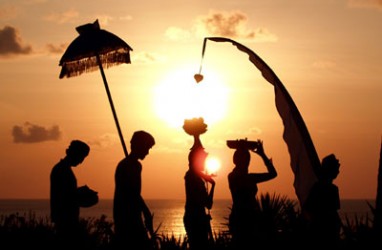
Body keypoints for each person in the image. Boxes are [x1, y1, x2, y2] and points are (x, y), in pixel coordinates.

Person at [227, 139, 277, 249]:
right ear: (238, 161)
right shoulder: (239, 177)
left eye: (248, 160)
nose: (247, 163)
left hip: (247, 218)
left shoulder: (236, 176)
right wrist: (262, 155)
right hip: (243, 219)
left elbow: (273, 174)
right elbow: (272, 174)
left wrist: (262, 154)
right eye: (245, 160)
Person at [113, 130, 156, 250]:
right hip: (127, 218)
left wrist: (145, 211)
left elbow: (135, 193)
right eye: (147, 148)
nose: (147, 152)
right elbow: (131, 193)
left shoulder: (135, 165)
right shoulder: (127, 166)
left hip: (133, 216)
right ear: (139, 145)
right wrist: (146, 211)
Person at [50, 139, 95, 249]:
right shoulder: (61, 170)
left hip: (67, 220)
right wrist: (83, 194)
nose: (81, 161)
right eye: (81, 157)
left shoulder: (62, 169)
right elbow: (64, 197)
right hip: (65, 221)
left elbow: (67, 193)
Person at [182, 117, 216, 250]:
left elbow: (208, 204)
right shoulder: (191, 177)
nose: (204, 162)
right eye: (202, 159)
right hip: (195, 219)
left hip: (196, 218)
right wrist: (210, 182)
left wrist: (207, 179)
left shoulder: (193, 177)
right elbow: (209, 204)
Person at [303, 153, 342, 247]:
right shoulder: (323, 188)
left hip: (329, 232)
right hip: (323, 233)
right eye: (336, 168)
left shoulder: (330, 188)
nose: (338, 171)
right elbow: (309, 208)